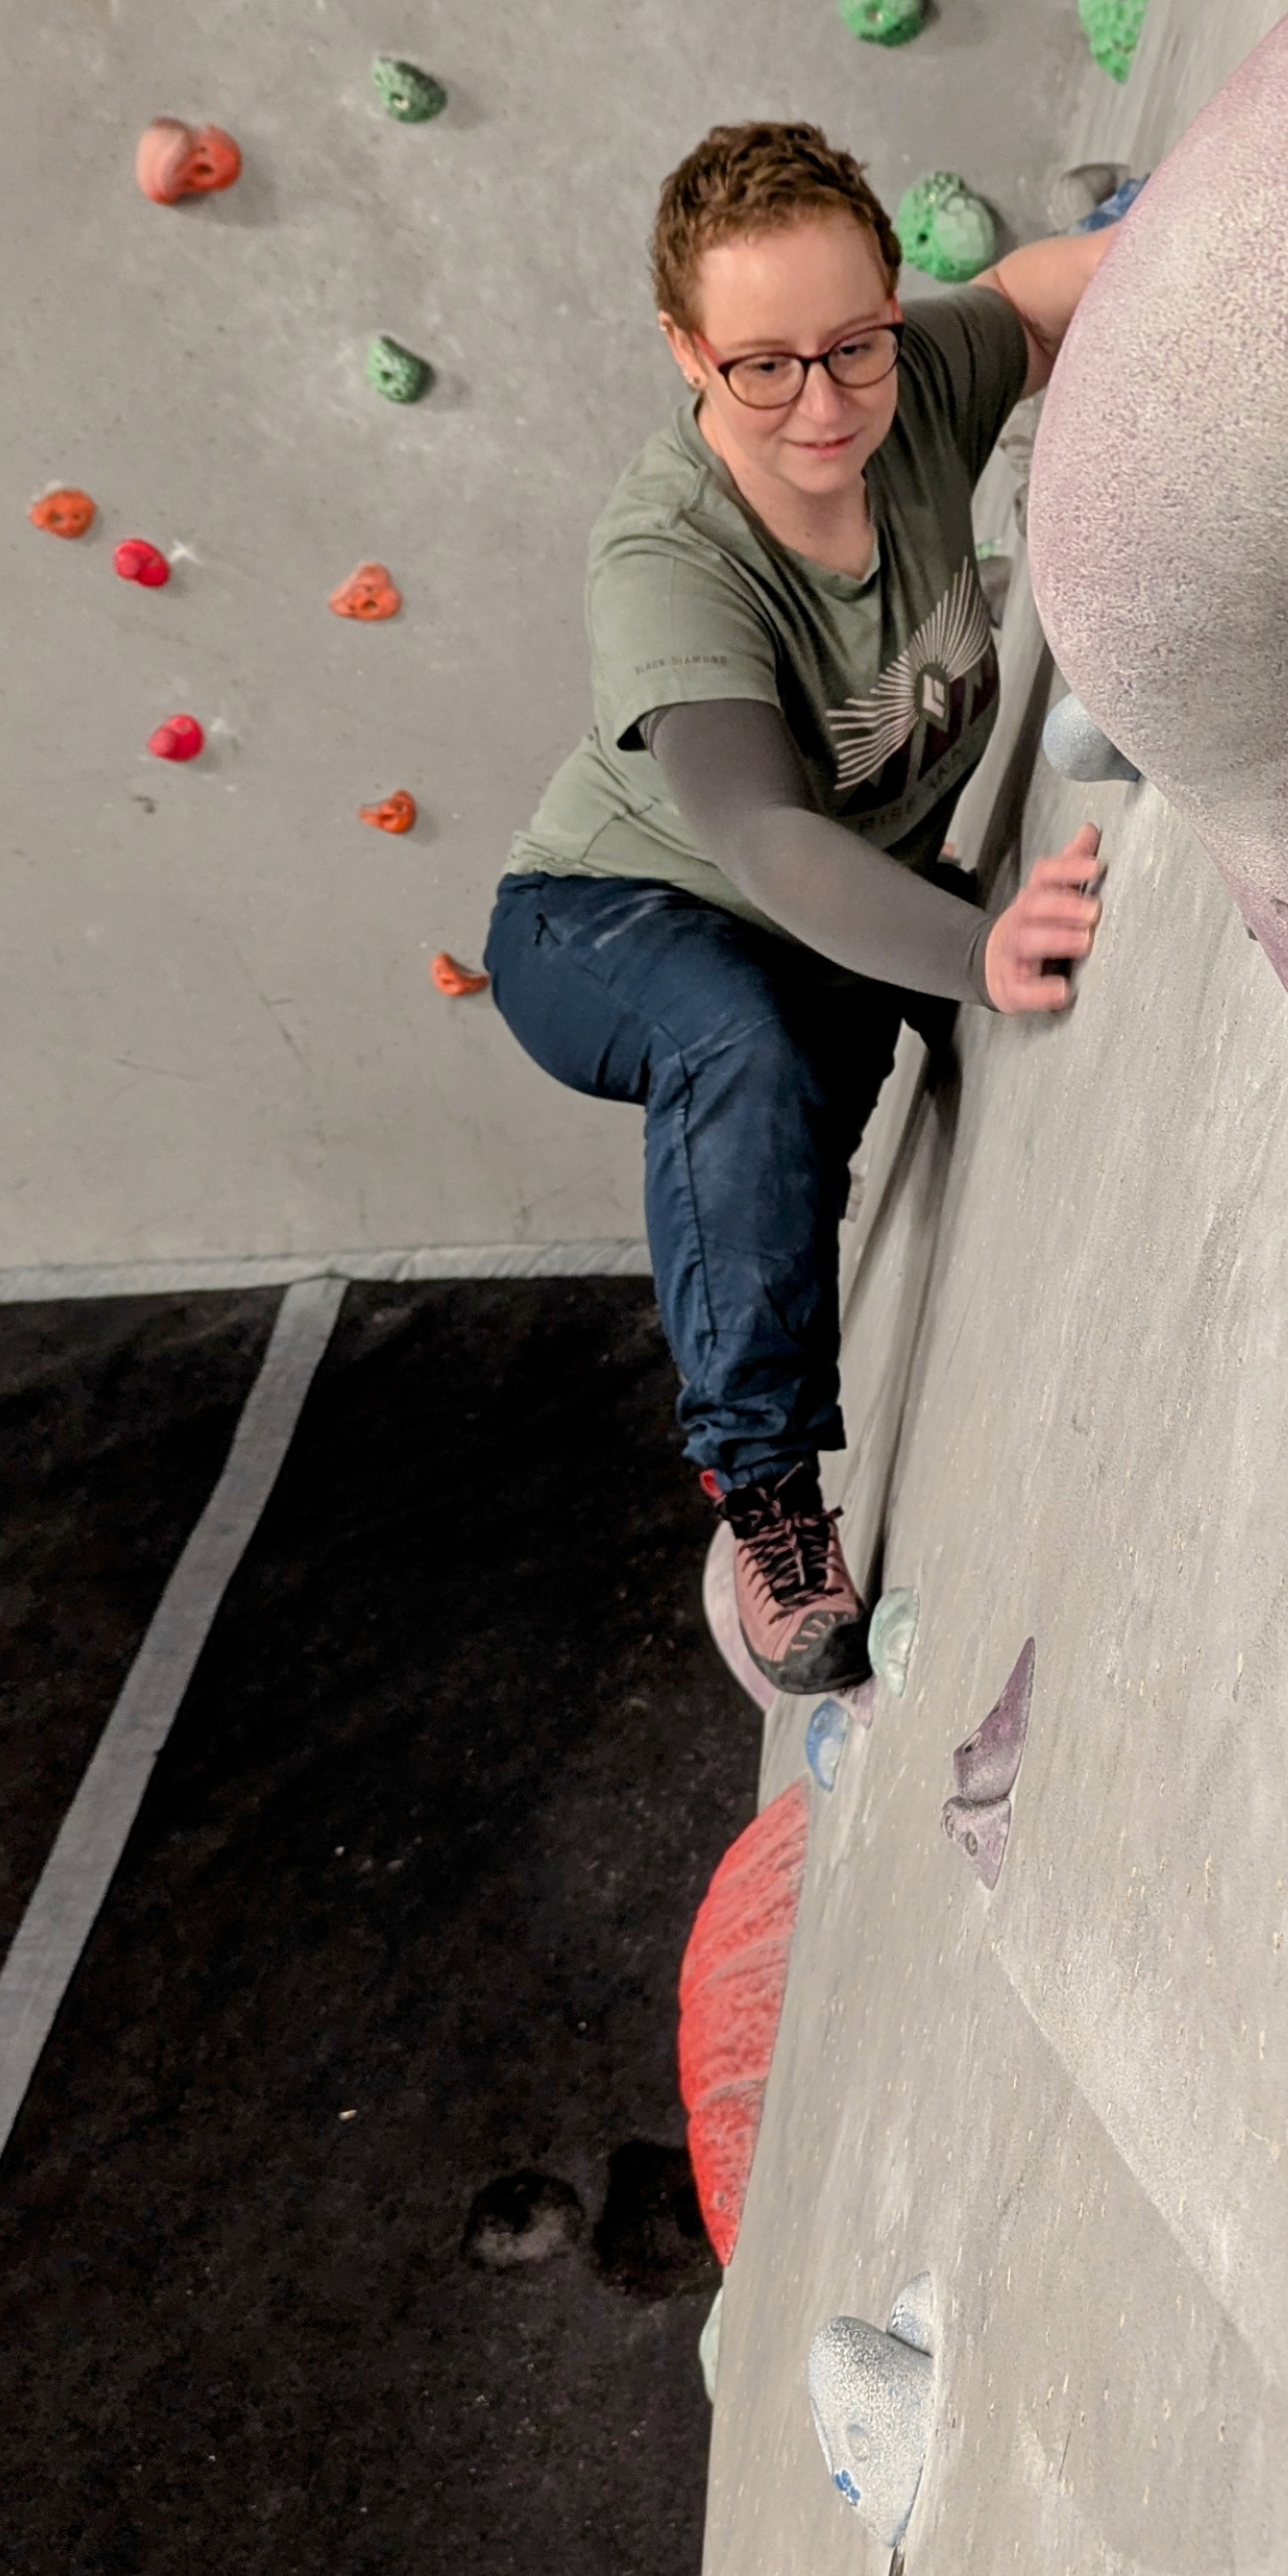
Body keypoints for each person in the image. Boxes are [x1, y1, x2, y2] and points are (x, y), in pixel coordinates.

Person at [486, 120, 1114, 1700]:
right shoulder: (666, 553)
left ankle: (772, 1384)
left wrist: (1199, 239)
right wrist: (970, 948)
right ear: (685, 352)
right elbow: (765, 836)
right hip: (608, 920)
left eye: (856, 347)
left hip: (824, 917)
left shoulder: (909, 392)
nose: (823, 404)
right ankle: (767, 1500)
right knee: (744, 1041)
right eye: (764, 365)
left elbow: (1034, 310)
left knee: (811, 1091)